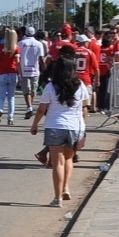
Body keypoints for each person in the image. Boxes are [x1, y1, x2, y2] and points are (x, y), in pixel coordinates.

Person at [30, 54, 88, 206]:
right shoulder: (80, 85)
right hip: (75, 127)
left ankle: (57, 198)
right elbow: (84, 107)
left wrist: (34, 125)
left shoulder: (50, 87)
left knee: (57, 163)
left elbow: (42, 109)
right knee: (68, 159)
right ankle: (66, 188)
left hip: (55, 126)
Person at [16, 26, 47, 119]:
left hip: (24, 70)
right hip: (35, 70)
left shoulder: (20, 43)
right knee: (33, 91)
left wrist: (18, 70)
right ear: (34, 33)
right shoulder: (39, 44)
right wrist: (45, 69)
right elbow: (41, 58)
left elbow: (18, 58)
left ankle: (29, 107)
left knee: (26, 91)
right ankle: (29, 107)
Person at [0, 26, 19, 125]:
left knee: (1, 96)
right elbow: (17, 61)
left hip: (2, 73)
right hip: (12, 73)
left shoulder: (0, 47)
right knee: (11, 97)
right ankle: (10, 118)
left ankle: (0, 110)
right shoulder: (16, 48)